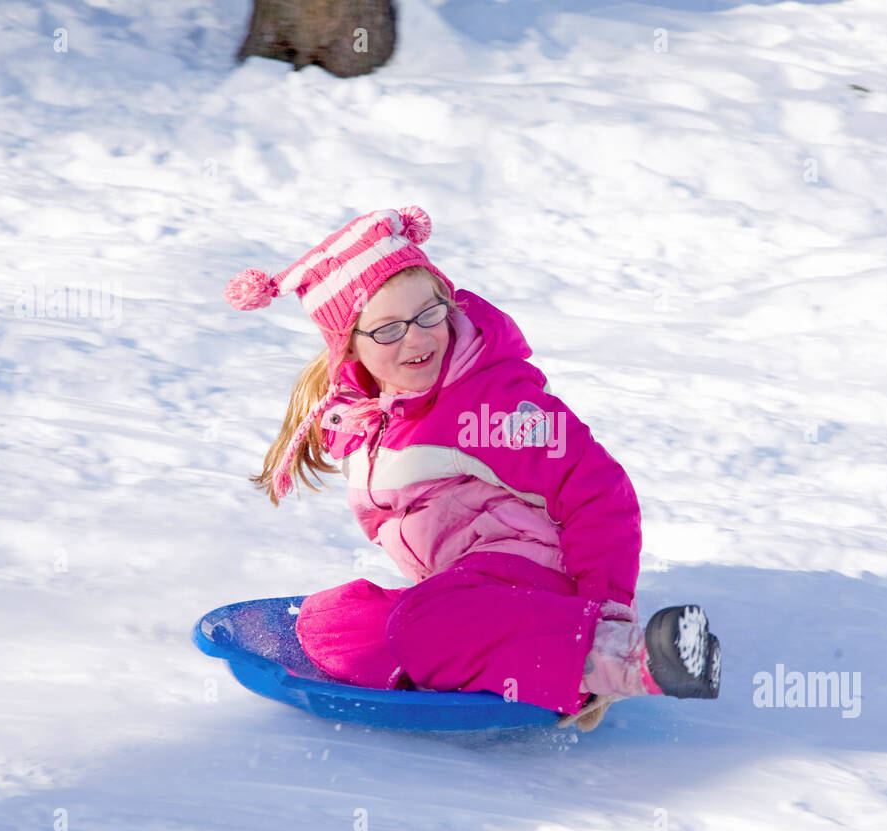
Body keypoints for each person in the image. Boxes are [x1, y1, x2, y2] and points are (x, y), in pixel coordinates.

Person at [223, 206, 720, 731]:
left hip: (540, 578)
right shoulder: (365, 412)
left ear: (448, 304)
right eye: (389, 329)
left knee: (423, 624)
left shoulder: (490, 404)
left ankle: (629, 659)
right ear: (349, 346)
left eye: (428, 315)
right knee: (328, 624)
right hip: (469, 587)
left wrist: (606, 612)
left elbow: (599, 492)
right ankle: (473, 657)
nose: (416, 339)